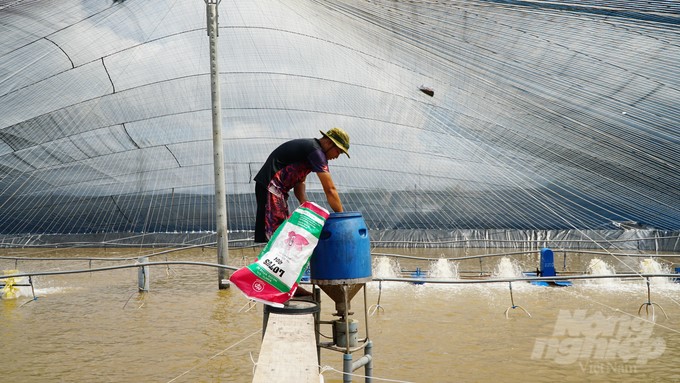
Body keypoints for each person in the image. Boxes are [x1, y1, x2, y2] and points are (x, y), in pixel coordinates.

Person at [254, 128, 350, 243]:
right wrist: (342, 218)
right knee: (276, 234)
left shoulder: (311, 150)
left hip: (277, 190)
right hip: (271, 187)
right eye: (338, 151)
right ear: (329, 143)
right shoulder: (316, 152)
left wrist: (304, 202)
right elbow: (330, 189)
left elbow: (300, 181)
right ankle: (270, 259)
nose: (337, 156)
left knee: (280, 232)